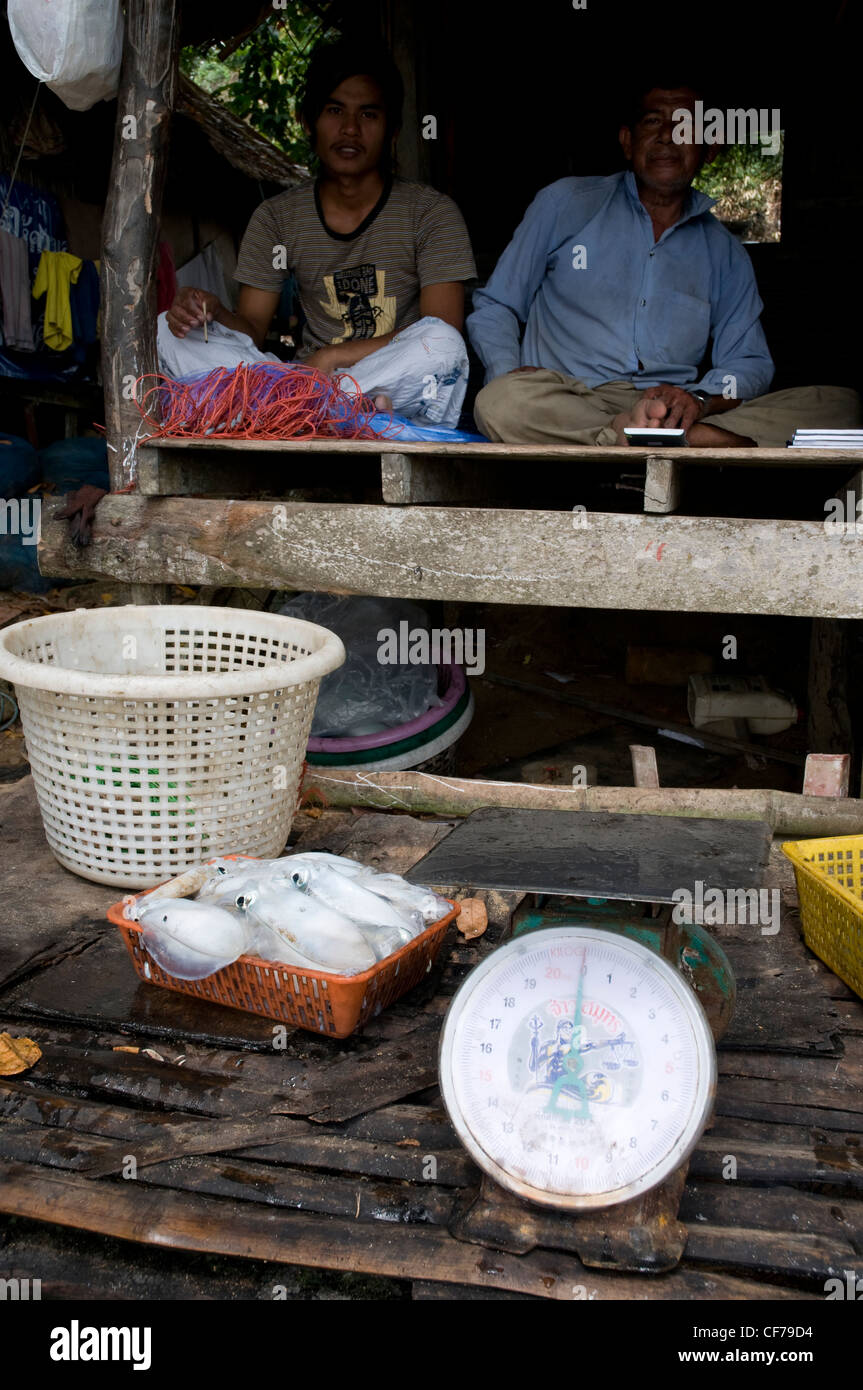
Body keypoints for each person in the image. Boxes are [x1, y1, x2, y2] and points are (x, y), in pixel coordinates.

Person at [467, 84, 861, 447]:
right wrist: (507, 370)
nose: (668, 135)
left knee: (842, 406)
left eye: (685, 126)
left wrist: (698, 400)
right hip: (571, 401)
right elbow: (497, 305)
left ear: (709, 148)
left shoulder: (723, 252)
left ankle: (668, 435)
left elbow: (748, 361)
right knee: (500, 401)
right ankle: (636, 437)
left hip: (674, 409)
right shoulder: (565, 204)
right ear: (627, 142)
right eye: (653, 121)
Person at [163, 39, 476, 427]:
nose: (349, 129)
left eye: (368, 114)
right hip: (304, 383)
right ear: (307, 122)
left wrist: (331, 358)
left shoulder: (431, 213)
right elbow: (252, 333)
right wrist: (212, 311)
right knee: (168, 331)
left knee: (444, 346)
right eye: (334, 110)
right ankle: (312, 410)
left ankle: (288, 412)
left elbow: (441, 328)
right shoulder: (277, 217)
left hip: (387, 384)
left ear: (392, 130)